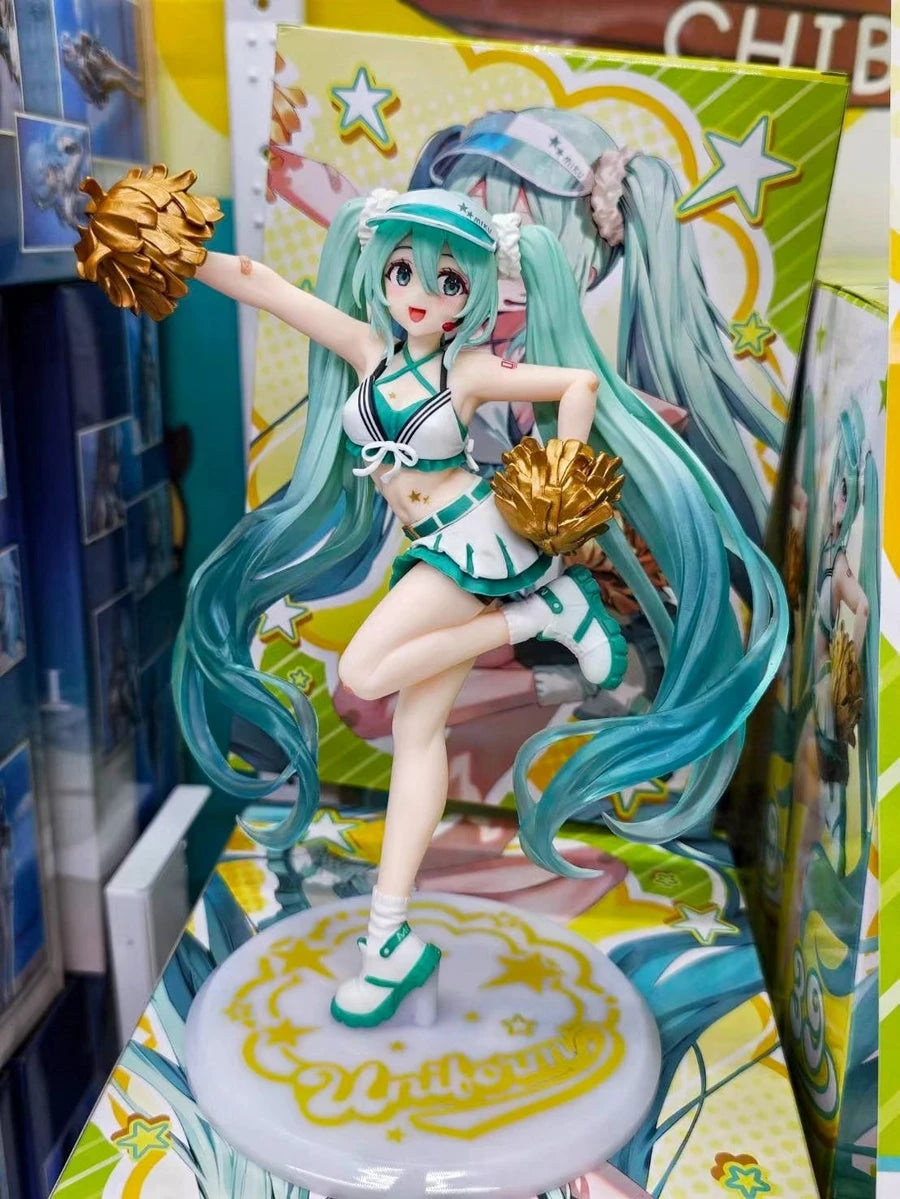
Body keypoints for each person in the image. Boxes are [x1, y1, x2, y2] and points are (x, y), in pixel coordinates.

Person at [79, 180, 786, 1028]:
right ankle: (390, 939)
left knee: (365, 671)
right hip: (433, 549)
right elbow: (266, 286)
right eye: (404, 272)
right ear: (382, 271)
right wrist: (182, 252)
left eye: (447, 282)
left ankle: (542, 616)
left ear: (474, 293)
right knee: (418, 737)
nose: (419, 294)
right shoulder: (368, 349)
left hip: (477, 539)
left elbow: (578, 384)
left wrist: (561, 476)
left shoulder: (469, 369)